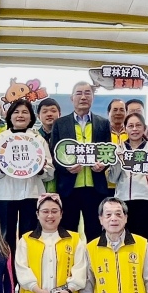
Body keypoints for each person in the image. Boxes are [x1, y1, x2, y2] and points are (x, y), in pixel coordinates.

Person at [0, 99, 55, 257]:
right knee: (5, 236)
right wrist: (0, 168)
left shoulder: (37, 139)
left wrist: (40, 170)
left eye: (25, 112)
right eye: (16, 112)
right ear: (10, 116)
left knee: (30, 236)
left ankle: (28, 269)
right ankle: (7, 270)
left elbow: (50, 170)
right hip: (5, 194)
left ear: (31, 117)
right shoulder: (1, 139)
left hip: (31, 193)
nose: (20, 115)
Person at [50, 82, 111, 241]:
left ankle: (93, 258)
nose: (83, 97)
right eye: (79, 93)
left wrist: (103, 165)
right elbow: (53, 155)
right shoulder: (60, 124)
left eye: (87, 93)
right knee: (68, 232)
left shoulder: (103, 123)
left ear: (93, 97)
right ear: (72, 98)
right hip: (69, 188)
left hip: (95, 187)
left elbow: (108, 153)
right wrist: (66, 168)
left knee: (95, 232)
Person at [107, 113, 148, 267]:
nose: (134, 129)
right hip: (122, 201)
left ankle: (142, 274)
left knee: (142, 240)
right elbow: (112, 179)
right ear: (125, 128)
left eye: (138, 125)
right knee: (123, 240)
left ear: (144, 128)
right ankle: (125, 272)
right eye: (130, 126)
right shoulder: (118, 148)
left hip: (145, 200)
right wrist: (118, 161)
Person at [36, 98, 62, 193]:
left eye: (53, 111)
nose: (49, 114)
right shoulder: (33, 138)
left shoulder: (66, 136)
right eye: (45, 111)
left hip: (62, 186)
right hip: (39, 186)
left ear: (60, 114)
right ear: (38, 116)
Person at [107, 99, 128, 196]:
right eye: (115, 110)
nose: (118, 113)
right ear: (108, 113)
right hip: (105, 185)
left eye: (122, 110)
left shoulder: (133, 133)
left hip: (127, 186)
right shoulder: (102, 132)